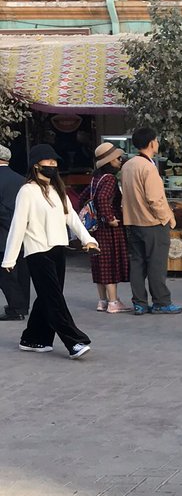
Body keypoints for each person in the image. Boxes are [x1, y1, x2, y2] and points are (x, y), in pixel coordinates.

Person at [2, 144, 99, 358]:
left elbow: (71, 216)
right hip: (37, 252)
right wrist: (9, 259)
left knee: (47, 297)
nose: (53, 166)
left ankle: (33, 339)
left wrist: (88, 239)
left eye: (55, 163)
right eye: (49, 163)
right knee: (54, 299)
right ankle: (74, 342)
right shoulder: (27, 191)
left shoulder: (57, 190)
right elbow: (18, 225)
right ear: (36, 166)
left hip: (57, 249)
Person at [119, 127, 182, 315]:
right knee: (156, 264)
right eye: (156, 140)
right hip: (152, 223)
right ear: (151, 143)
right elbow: (155, 199)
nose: (157, 143)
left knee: (137, 263)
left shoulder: (128, 165)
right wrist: (167, 218)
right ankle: (161, 302)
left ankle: (139, 302)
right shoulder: (148, 167)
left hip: (133, 221)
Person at [80, 142, 131, 314]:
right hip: (108, 229)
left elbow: (82, 197)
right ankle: (113, 302)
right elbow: (102, 199)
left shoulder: (96, 178)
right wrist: (110, 219)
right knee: (110, 263)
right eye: (117, 158)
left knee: (99, 262)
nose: (120, 160)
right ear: (109, 161)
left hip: (95, 229)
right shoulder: (109, 179)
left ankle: (102, 301)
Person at [0, 143, 30, 321]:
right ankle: (23, 304)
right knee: (22, 271)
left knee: (5, 273)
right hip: (21, 232)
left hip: (2, 233)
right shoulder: (21, 179)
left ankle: (16, 307)